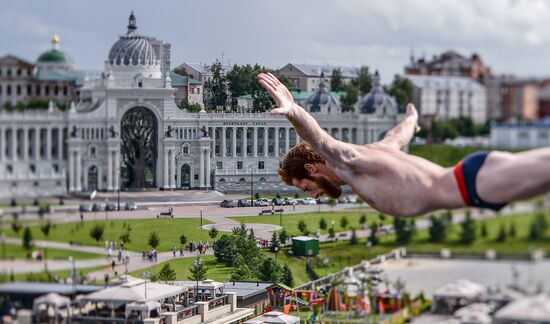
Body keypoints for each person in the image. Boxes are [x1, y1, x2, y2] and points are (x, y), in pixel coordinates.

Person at [258, 72, 550, 218]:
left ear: (313, 168)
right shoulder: (375, 154)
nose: (314, 196)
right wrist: (412, 119)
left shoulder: (350, 163)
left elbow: (318, 138)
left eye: (308, 188)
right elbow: (398, 136)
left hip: (472, 182)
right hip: (474, 182)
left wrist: (293, 110)